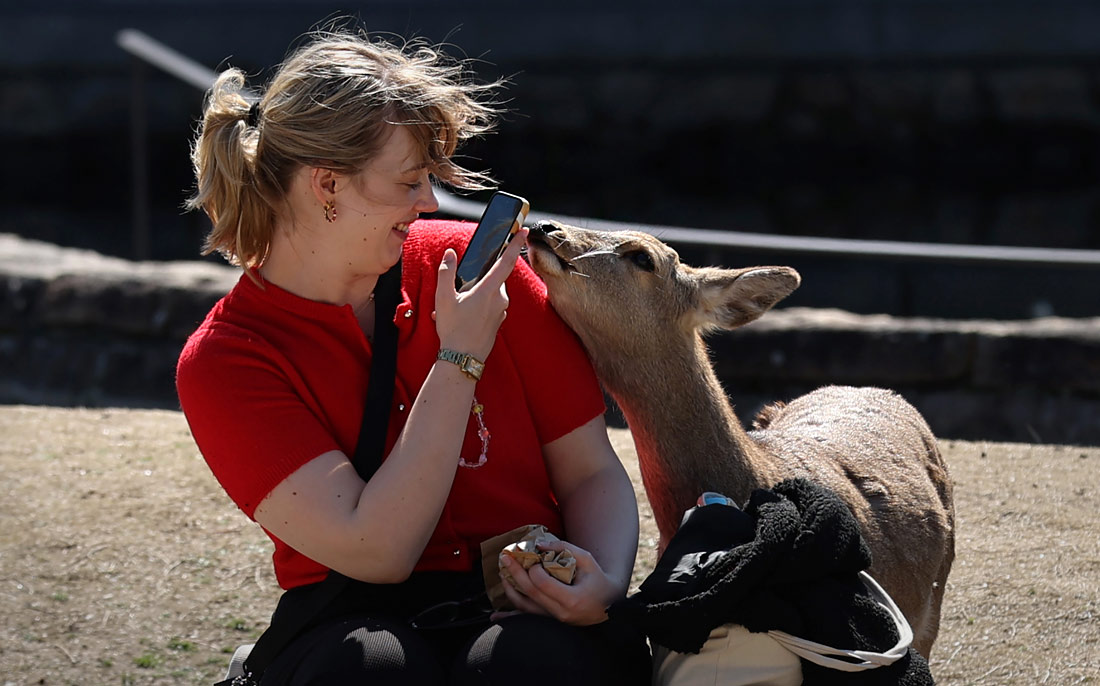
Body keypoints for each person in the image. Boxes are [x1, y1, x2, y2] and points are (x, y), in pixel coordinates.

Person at [176, 27, 650, 685]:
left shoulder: (486, 274)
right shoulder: (225, 363)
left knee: (526, 663)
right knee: (370, 668)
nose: (430, 202)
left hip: (527, 609)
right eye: (409, 181)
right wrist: (462, 353)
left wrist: (602, 580)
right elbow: (379, 550)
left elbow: (589, 473)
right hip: (356, 622)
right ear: (327, 187)